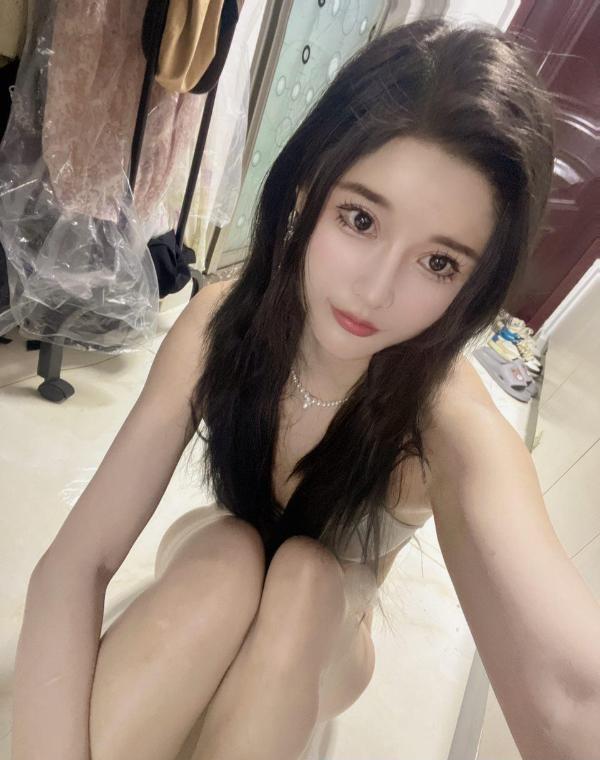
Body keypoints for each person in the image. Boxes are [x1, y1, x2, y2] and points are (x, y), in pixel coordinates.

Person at [12, 17, 600, 760]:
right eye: (360, 219)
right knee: (230, 558)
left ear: (475, 285)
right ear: (303, 193)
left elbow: (573, 694)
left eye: (439, 263)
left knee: (306, 580)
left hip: (330, 634)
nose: (375, 290)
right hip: (210, 563)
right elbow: (76, 563)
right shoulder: (224, 321)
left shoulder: (449, 421)